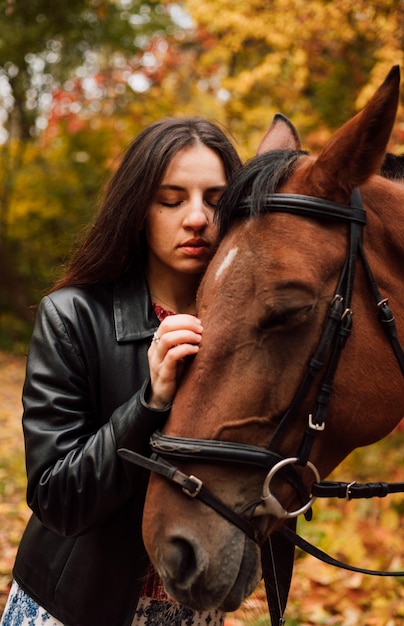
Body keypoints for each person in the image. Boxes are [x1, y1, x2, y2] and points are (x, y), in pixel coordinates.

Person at [0, 116, 242, 626]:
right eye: (171, 199)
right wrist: (149, 402)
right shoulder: (72, 316)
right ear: (137, 210)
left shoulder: (245, 330)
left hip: (196, 611)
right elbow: (57, 498)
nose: (197, 218)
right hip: (78, 608)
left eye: (216, 200)